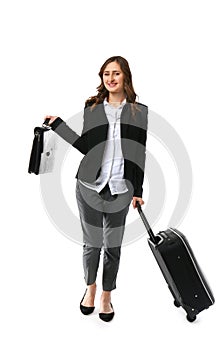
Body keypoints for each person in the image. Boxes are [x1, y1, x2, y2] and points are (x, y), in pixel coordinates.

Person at [45, 56, 148, 322]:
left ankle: (106, 295)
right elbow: (85, 146)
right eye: (106, 74)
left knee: (113, 247)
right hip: (89, 186)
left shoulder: (139, 111)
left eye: (116, 73)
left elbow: (139, 153)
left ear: (125, 76)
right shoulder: (92, 107)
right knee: (92, 245)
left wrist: (138, 189)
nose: (111, 78)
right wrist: (59, 126)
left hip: (121, 190)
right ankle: (89, 289)